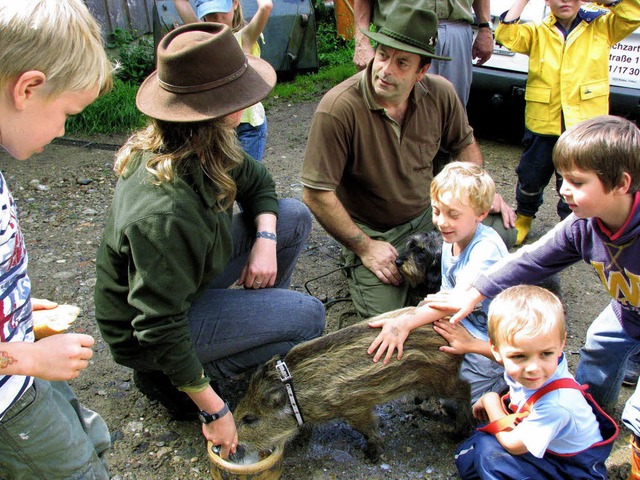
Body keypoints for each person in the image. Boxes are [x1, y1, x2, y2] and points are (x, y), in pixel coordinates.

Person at [93, 22, 325, 459]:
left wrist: (265, 242)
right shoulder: (165, 212)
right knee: (309, 318)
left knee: (291, 216)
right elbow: (157, 324)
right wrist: (214, 410)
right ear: (223, 111)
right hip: (148, 333)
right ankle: (177, 380)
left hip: (184, 284)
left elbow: (260, 183)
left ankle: (255, 326)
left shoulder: (200, 145)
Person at [424, 115, 640, 476]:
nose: (563, 190)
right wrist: (476, 291)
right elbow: (531, 258)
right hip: (628, 307)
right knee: (600, 347)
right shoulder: (583, 225)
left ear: (621, 184)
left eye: (577, 182)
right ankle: (586, 432)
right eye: (562, 179)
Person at [301, 4, 516, 319]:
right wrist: (363, 246)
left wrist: (477, 194)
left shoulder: (440, 92)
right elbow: (316, 194)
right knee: (385, 321)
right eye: (383, 55)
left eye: (402, 62)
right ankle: (367, 271)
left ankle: (452, 284)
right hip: (377, 231)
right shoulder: (338, 108)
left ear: (422, 71)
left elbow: (465, 145)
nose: (386, 70)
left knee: (500, 229)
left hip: (429, 215)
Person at [0, 0, 113, 478]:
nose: (67, 128)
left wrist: (16, 304)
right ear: (28, 88)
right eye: (69, 112)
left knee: (92, 439)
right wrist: (26, 356)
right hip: (9, 402)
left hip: (22, 370)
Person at [494, 0, 640, 246]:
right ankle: (524, 217)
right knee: (531, 175)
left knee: (577, 178)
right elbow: (506, 35)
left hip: (583, 126)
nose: (564, 1)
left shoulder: (602, 26)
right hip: (543, 123)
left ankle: (574, 226)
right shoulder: (539, 31)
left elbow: (633, 12)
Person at [367, 162, 507, 403]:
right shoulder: (451, 239)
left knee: (456, 400)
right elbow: (445, 291)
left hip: (489, 339)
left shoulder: (486, 250)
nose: (442, 222)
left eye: (453, 214)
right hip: (462, 322)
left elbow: (455, 300)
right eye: (436, 211)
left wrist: (405, 322)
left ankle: (501, 382)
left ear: (481, 214)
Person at [455, 285, 617, 479]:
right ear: (497, 350)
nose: (533, 368)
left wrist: (490, 400)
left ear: (561, 344)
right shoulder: (545, 362)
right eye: (519, 356)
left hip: (573, 469)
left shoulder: (557, 405)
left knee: (492, 456)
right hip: (551, 448)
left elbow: (512, 444)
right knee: (473, 451)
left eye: (545, 354)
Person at [174, 0, 273, 162]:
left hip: (248, 127)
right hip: (217, 126)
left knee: (246, 182)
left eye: (222, 12)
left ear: (235, 4)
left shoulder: (245, 38)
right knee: (219, 182)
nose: (218, 19)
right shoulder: (203, 39)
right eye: (211, 14)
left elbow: (266, 6)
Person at [353, 0, 494, 107]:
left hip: (456, 31)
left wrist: (485, 26)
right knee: (395, 110)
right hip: (400, 32)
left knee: (452, 110)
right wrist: (361, 41)